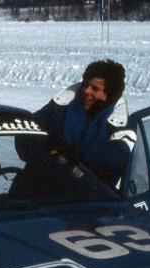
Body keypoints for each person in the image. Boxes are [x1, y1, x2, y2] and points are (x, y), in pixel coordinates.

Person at [21, 59, 135, 187]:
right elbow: (27, 133)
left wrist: (71, 155)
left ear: (109, 95)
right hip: (43, 180)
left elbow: (114, 160)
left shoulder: (121, 126)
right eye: (85, 85)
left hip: (87, 195)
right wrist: (49, 159)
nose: (87, 91)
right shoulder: (62, 105)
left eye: (95, 88)